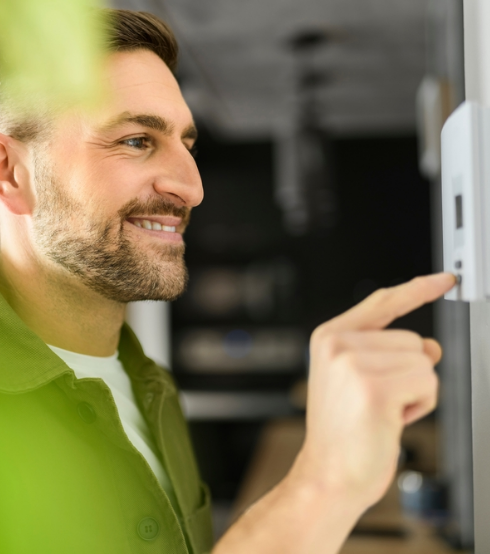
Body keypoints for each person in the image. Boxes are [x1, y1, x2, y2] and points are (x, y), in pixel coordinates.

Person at [0, 8, 455, 554]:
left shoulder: (151, 385)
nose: (191, 188)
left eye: (186, 146)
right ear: (11, 172)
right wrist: (323, 482)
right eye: (136, 140)